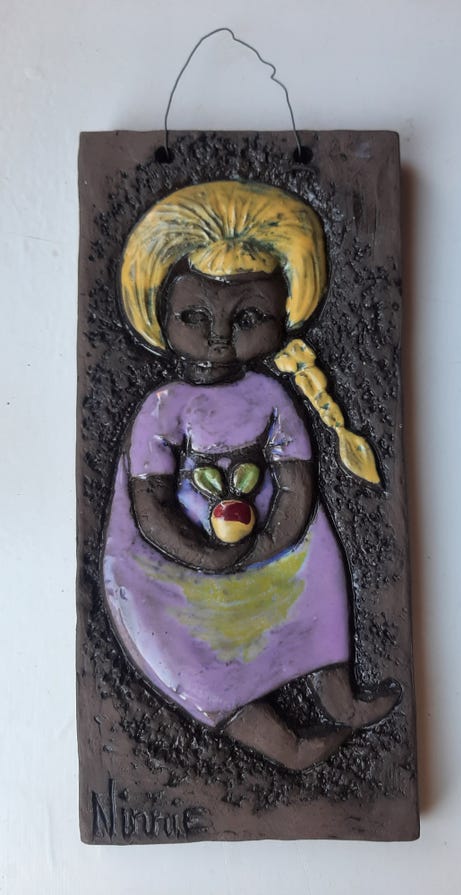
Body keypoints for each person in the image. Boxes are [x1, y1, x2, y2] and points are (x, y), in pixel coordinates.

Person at [103, 180, 400, 770]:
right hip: (177, 567)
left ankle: (338, 695)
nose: (218, 335)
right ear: (161, 315)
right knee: (188, 650)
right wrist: (202, 555)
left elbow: (295, 479)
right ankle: (286, 746)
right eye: (195, 315)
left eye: (248, 317)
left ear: (281, 315)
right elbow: (150, 502)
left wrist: (272, 541)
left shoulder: (270, 395)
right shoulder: (162, 407)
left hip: (269, 545)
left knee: (317, 567)